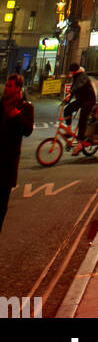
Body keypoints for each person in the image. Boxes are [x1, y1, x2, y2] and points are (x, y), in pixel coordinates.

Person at [0, 75, 35, 232]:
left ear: (18, 89)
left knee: (1, 206)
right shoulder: (0, 105)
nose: (6, 89)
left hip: (8, 163)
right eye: (6, 85)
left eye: (10, 86)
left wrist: (17, 116)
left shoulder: (26, 108)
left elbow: (28, 130)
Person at [65, 63, 96, 154]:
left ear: (75, 71)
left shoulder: (82, 76)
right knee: (67, 109)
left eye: (71, 72)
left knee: (83, 118)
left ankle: (80, 143)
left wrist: (70, 93)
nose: (70, 73)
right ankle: (69, 130)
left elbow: (78, 86)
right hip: (81, 100)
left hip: (89, 101)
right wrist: (68, 98)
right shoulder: (76, 76)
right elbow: (74, 87)